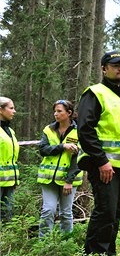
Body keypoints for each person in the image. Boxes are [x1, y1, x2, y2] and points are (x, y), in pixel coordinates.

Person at [77, 51, 120, 256]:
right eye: (115, 65)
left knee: (116, 214)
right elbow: (85, 130)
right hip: (104, 166)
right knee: (105, 212)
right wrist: (102, 161)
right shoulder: (95, 93)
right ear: (104, 68)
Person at [37, 100, 83, 237]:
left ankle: (65, 243)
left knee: (65, 212)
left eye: (59, 111)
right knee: (48, 210)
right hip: (48, 179)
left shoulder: (79, 131)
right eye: (55, 111)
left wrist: (69, 181)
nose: (55, 114)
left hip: (69, 180)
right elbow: (43, 150)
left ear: (69, 113)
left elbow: (79, 159)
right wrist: (62, 147)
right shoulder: (48, 130)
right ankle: (44, 244)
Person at [0, 97, 19, 223]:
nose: (14, 111)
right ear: (1, 110)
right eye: (11, 108)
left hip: (10, 181)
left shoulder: (10, 131)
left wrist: (15, 180)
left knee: (8, 216)